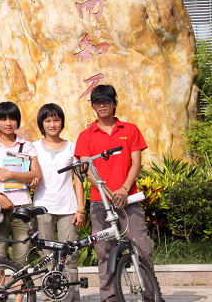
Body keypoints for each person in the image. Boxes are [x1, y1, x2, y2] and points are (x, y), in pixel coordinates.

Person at [75, 84, 155, 302]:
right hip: (100, 201)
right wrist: (108, 192)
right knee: (104, 251)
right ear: (93, 106)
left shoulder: (130, 130)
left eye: (106, 101)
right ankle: (109, 298)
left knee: (142, 247)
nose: (102, 105)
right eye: (98, 102)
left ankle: (151, 295)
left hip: (129, 199)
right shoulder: (86, 135)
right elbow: (86, 169)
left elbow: (136, 163)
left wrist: (124, 188)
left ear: (114, 103)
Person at [0, 101, 41, 300]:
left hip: (23, 207)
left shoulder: (27, 146)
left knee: (21, 258)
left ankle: (19, 299)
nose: (8, 123)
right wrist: (0, 198)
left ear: (17, 121)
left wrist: (11, 174)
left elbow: (36, 174)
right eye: (3, 118)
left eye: (12, 118)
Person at [31, 103, 85, 302]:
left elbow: (78, 179)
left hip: (68, 207)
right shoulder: (34, 147)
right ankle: (49, 298)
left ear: (62, 122)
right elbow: (29, 175)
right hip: (42, 207)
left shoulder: (72, 147)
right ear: (41, 123)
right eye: (47, 120)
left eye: (56, 120)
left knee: (70, 256)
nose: (52, 124)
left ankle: (72, 298)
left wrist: (80, 208)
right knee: (47, 257)